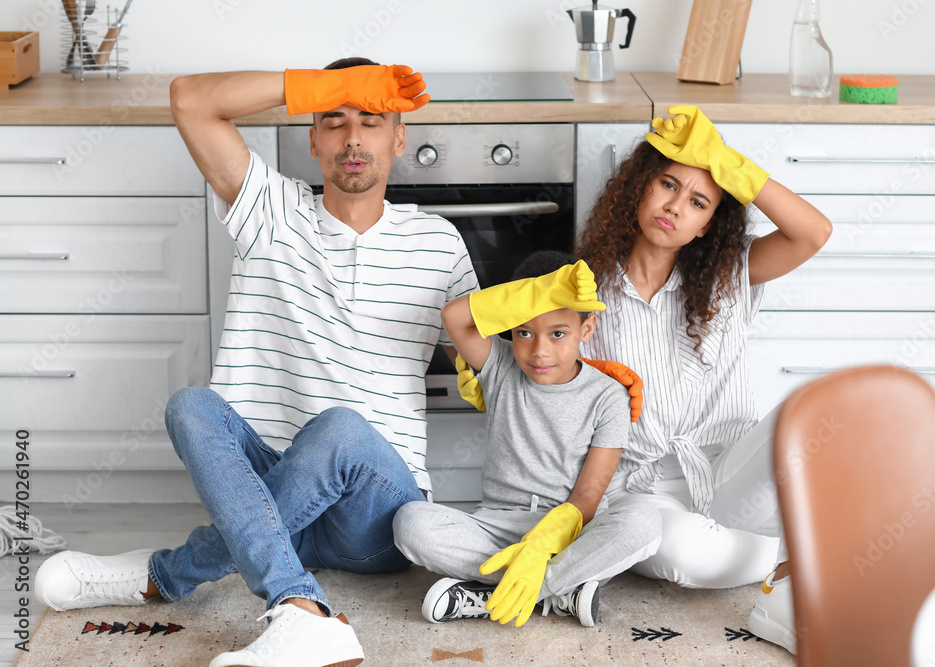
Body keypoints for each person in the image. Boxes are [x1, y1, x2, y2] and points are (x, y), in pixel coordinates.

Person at [34, 58, 480, 667]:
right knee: (191, 406)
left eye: (372, 120)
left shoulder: (439, 242)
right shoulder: (272, 211)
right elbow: (190, 95)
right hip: (270, 492)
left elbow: (487, 369)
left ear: (399, 137)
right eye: (335, 119)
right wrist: (331, 84)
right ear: (312, 138)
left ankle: (170, 572)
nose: (353, 137)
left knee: (343, 428)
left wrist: (576, 373)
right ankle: (300, 610)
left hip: (374, 514)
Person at [576, 105, 834, 654]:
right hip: (642, 490)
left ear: (708, 224)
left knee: (817, 412)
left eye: (698, 202)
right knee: (683, 557)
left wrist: (729, 164)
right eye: (667, 185)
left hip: (731, 471)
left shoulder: (727, 275)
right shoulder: (582, 287)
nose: (675, 207)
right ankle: (800, 554)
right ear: (638, 188)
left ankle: (787, 549)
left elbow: (814, 232)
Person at [393, 251, 662, 628]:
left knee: (644, 522)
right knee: (411, 523)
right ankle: (560, 591)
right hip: (496, 527)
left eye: (558, 333)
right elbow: (454, 317)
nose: (539, 350)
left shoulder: (609, 396)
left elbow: (587, 499)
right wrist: (541, 290)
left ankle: (501, 593)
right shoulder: (501, 366)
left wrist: (542, 546)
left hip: (569, 534)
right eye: (524, 332)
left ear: (586, 329)